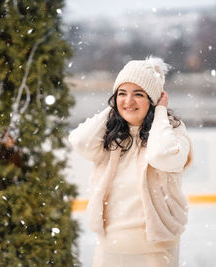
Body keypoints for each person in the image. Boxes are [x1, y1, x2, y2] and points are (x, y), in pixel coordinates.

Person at [69, 56, 193, 267]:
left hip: (156, 250)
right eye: (122, 94)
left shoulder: (172, 131)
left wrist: (161, 112)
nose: (128, 101)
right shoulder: (110, 136)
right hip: (110, 247)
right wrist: (114, 110)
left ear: (152, 100)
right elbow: (79, 141)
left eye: (138, 94)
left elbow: (162, 156)